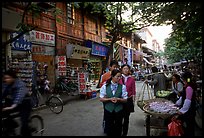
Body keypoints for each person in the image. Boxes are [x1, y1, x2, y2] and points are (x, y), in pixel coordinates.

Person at [2, 69, 32, 136]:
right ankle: (11, 126)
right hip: (14, 102)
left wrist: (14, 105)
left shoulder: (20, 84)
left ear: (13, 78)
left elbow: (19, 95)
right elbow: (3, 93)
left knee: (24, 124)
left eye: (8, 78)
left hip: (25, 103)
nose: (6, 80)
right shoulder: (6, 84)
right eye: (5, 78)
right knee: (4, 113)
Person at [99, 69, 128, 136]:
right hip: (108, 110)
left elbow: (125, 99)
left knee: (118, 127)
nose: (119, 78)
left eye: (120, 77)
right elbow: (101, 98)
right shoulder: (105, 86)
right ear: (112, 76)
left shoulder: (122, 87)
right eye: (117, 76)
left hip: (119, 110)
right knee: (109, 127)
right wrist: (109, 99)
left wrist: (118, 99)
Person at [173, 71, 196, 136]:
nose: (182, 80)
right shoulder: (187, 86)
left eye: (183, 79)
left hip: (190, 111)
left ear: (185, 79)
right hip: (188, 111)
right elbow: (183, 97)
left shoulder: (189, 88)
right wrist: (177, 104)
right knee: (188, 127)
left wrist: (182, 111)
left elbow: (187, 101)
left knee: (189, 128)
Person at [99, 60, 119, 133]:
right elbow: (101, 87)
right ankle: (106, 128)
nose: (115, 68)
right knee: (107, 113)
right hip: (106, 99)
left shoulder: (119, 76)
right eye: (114, 67)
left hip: (116, 99)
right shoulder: (105, 76)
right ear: (110, 67)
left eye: (116, 67)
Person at [119, 64, 136, 136]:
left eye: (127, 69)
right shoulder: (118, 78)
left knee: (126, 119)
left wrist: (133, 101)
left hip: (128, 101)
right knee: (119, 118)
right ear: (122, 69)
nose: (126, 70)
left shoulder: (131, 79)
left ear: (129, 70)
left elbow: (133, 91)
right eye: (124, 68)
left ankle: (124, 133)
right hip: (119, 100)